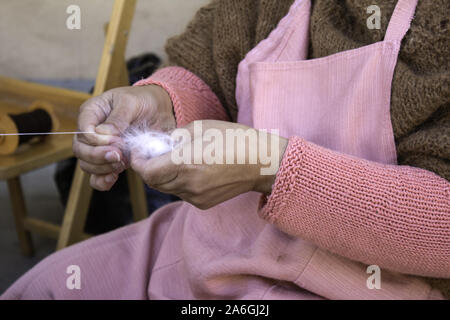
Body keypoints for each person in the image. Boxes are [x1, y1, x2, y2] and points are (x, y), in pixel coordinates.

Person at [2, 0, 449, 299]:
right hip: (217, 243)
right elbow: (207, 75)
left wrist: (270, 169)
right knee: (45, 288)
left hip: (363, 286)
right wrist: (159, 102)